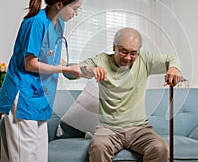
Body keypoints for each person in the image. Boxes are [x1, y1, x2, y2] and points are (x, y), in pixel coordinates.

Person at [0, 0, 99, 162]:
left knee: (40, 158)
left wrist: (82, 70)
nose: (76, 13)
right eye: (74, 8)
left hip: (41, 98)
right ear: (60, 4)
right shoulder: (36, 22)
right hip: (24, 97)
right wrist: (64, 69)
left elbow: (52, 58)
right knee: (24, 158)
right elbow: (30, 64)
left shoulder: (59, 25)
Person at [75, 27, 183, 162]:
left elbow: (172, 59)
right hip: (109, 129)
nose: (128, 58)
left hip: (138, 129)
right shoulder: (101, 60)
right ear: (114, 47)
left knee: (161, 148)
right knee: (99, 147)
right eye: (124, 51)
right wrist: (90, 69)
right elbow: (70, 72)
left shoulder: (144, 60)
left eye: (133, 53)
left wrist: (174, 68)